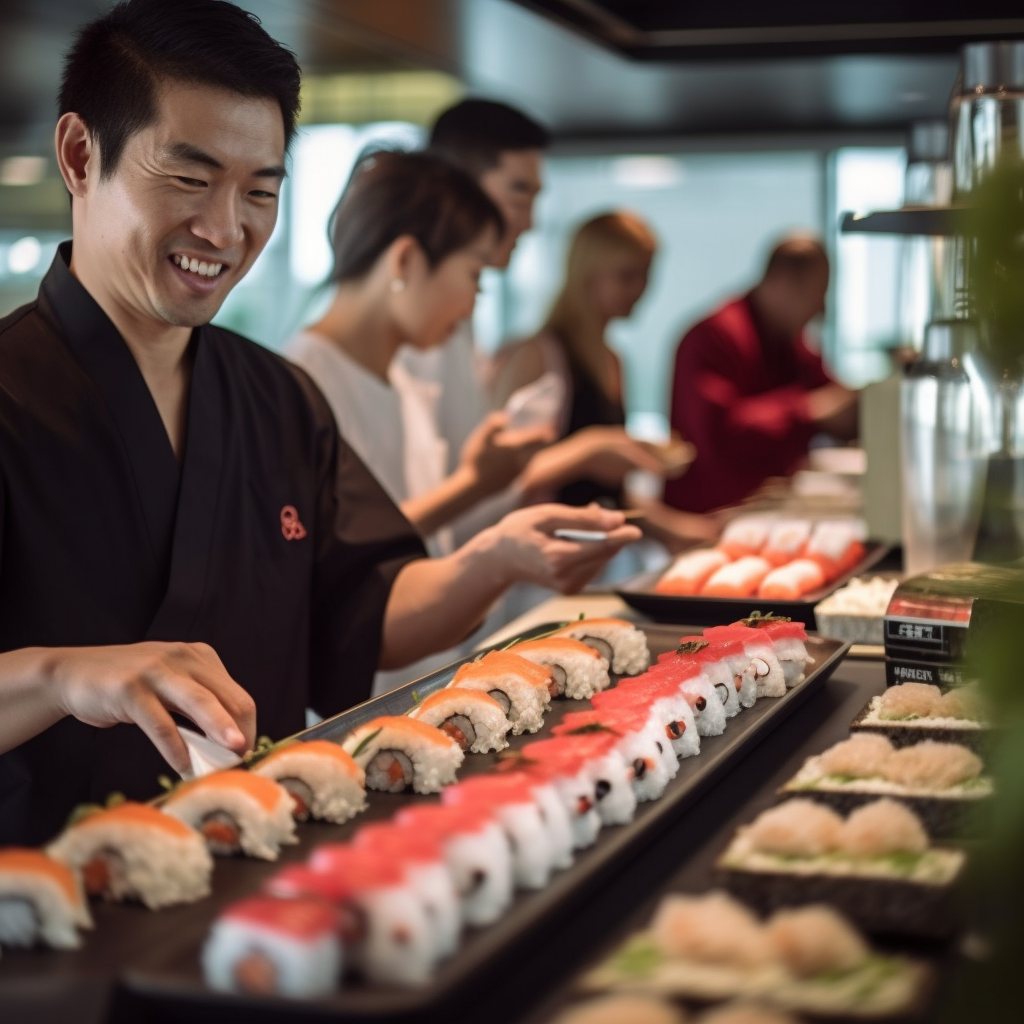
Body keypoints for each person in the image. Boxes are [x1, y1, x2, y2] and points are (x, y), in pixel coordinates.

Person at [0, 0, 639, 845]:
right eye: (190, 178)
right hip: (42, 903)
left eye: (259, 191)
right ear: (81, 156)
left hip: (260, 865)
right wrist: (61, 676)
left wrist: (496, 557)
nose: (225, 229)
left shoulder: (278, 397)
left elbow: (365, 607)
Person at [399, 99, 665, 540]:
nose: (532, 222)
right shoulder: (417, 339)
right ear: (456, 189)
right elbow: (411, 520)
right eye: (520, 192)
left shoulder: (459, 330)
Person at [287, 149, 552, 554]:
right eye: (474, 274)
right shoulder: (300, 386)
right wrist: (473, 483)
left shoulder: (403, 387)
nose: (473, 301)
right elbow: (327, 551)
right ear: (406, 260)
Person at [494, 211, 719, 546]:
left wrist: (680, 528)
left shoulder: (612, 359)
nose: (640, 289)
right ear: (588, 274)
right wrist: (592, 450)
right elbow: (504, 479)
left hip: (595, 555)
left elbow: (612, 497)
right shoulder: (538, 355)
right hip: (541, 556)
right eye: (627, 276)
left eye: (645, 276)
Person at [664, 235, 859, 514]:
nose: (821, 310)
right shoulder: (711, 339)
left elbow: (830, 391)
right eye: (817, 293)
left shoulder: (789, 341)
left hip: (758, 510)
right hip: (706, 520)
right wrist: (809, 411)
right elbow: (720, 434)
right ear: (782, 280)